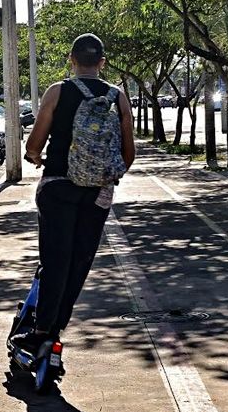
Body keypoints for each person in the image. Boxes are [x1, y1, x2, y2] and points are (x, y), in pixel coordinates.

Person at [10, 33, 135, 353]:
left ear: (72, 59)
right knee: (80, 261)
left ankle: (41, 330)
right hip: (99, 193)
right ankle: (57, 327)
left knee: (56, 260)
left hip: (59, 186)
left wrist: (36, 157)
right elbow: (128, 153)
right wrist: (104, 173)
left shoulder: (57, 91)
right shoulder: (117, 96)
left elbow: (34, 145)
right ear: (102, 63)